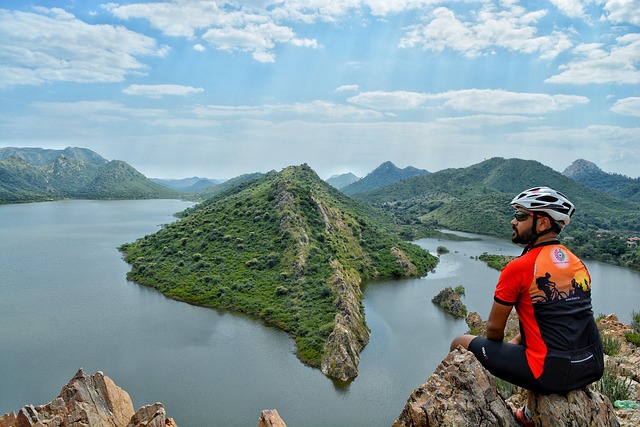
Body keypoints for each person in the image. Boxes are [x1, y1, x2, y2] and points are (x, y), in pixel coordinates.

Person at [449, 187, 604, 426]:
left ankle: (459, 408)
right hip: (592, 365)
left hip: (550, 373)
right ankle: (532, 411)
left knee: (460, 342)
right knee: (531, 348)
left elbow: (493, 330)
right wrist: (521, 340)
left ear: (542, 224)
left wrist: (504, 349)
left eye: (521, 216)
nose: (513, 221)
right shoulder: (577, 262)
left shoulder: (519, 267)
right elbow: (564, 318)